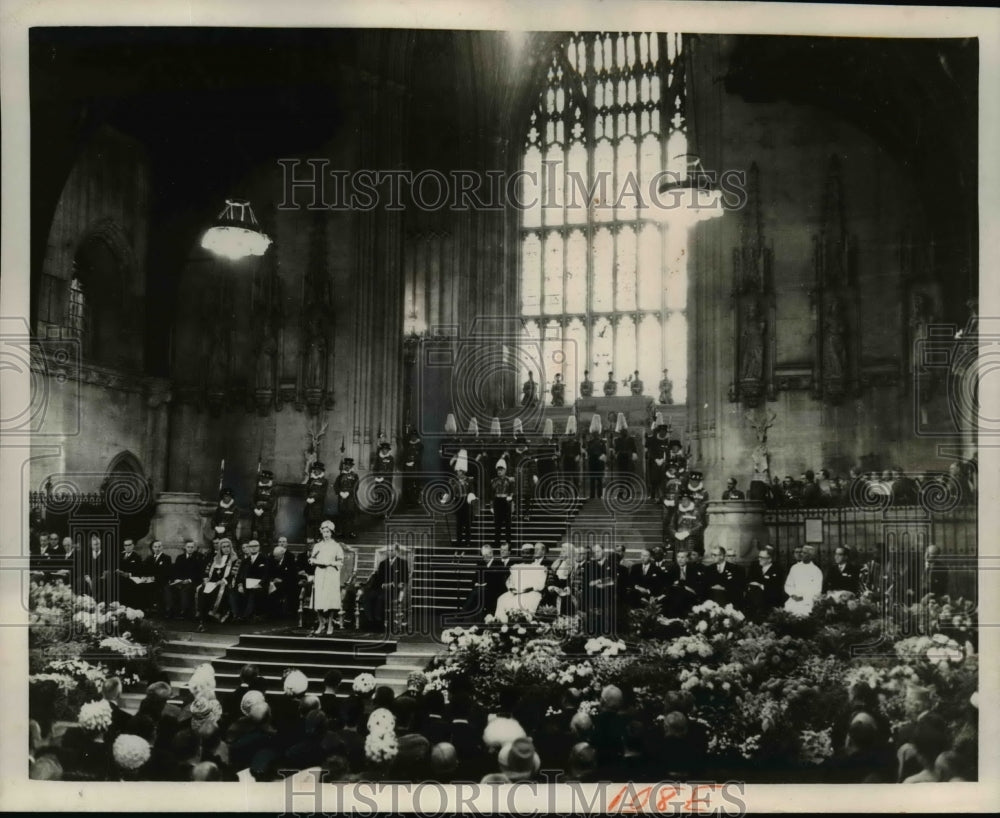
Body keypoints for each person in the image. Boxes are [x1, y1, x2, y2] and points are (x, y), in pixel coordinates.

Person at [309, 521, 345, 635]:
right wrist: (314, 561)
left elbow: (340, 561)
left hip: (331, 574)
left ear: (331, 532)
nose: (326, 534)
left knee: (330, 599)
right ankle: (321, 623)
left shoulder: (336, 546)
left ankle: (330, 623)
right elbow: (311, 559)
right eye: (324, 532)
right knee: (319, 598)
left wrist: (330, 563)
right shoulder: (318, 546)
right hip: (320, 572)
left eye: (328, 532)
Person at [365, 541, 409, 632]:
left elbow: (405, 578)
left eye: (392, 550)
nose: (390, 552)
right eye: (388, 550)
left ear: (396, 552)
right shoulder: (382, 563)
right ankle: (370, 622)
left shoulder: (403, 563)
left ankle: (379, 624)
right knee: (369, 596)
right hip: (381, 587)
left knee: (381, 598)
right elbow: (378, 578)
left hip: (394, 590)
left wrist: (397, 584)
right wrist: (382, 585)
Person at [197, 538, 238, 630]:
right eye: (223, 547)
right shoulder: (214, 559)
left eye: (228, 546)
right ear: (220, 548)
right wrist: (206, 579)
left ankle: (214, 614)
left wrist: (223, 581)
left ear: (231, 547)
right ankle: (203, 616)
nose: (226, 549)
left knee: (218, 590)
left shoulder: (235, 559)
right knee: (201, 589)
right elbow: (206, 571)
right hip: (212, 582)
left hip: (226, 583)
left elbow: (234, 574)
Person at [744, 545, 786, 617]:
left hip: (770, 601)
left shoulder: (778, 569)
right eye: (759, 557)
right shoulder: (754, 565)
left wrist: (761, 586)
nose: (759, 559)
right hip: (753, 599)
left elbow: (777, 588)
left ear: (770, 559)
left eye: (762, 558)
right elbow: (748, 580)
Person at [235, 540, 270, 623]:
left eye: (255, 546)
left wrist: (260, 584)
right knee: (236, 592)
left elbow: (267, 575)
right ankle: (237, 615)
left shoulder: (265, 559)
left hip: (260, 585)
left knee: (253, 592)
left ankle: (246, 616)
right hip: (246, 584)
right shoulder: (245, 561)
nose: (253, 548)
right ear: (249, 548)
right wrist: (240, 585)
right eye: (251, 546)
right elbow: (239, 575)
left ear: (259, 547)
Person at [169, 540, 204, 620]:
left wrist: (189, 580)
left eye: (192, 547)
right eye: (188, 547)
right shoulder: (180, 557)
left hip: (193, 581)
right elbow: (176, 570)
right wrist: (177, 579)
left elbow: (199, 573)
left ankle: (184, 611)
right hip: (180, 581)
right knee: (171, 588)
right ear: (185, 548)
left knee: (186, 589)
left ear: (194, 548)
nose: (190, 549)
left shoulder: (199, 558)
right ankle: (172, 611)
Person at [784, 544, 823, 616]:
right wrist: (793, 595)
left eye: (804, 553)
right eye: (802, 552)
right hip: (793, 600)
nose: (801, 554)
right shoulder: (794, 568)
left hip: (808, 602)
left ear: (811, 556)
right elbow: (788, 585)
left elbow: (817, 590)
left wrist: (803, 597)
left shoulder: (816, 571)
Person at [268, 539, 300, 619]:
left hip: (287, 581)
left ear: (282, 554)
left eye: (277, 556)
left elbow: (292, 574)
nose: (275, 558)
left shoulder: (290, 558)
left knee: (289, 588)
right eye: (274, 556)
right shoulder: (273, 558)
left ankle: (287, 612)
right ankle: (272, 612)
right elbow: (269, 570)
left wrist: (282, 580)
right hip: (274, 581)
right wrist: (272, 579)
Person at [144, 540, 174, 617]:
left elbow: (166, 572)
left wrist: (155, 577)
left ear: (162, 547)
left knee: (162, 588)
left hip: (162, 581)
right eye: (155, 547)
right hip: (150, 581)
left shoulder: (167, 558)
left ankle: (164, 610)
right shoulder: (149, 558)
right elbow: (145, 570)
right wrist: (146, 577)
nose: (157, 548)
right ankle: (147, 609)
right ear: (152, 548)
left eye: (159, 546)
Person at [303, 462, 329, 544]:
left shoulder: (324, 481)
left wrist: (314, 499)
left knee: (317, 521)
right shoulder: (310, 480)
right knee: (309, 520)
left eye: (318, 470)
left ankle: (317, 537)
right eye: (315, 470)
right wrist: (307, 498)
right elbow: (305, 490)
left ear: (321, 471)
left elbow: (322, 493)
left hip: (318, 504)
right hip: (309, 504)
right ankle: (309, 537)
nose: (316, 471)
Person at [334, 458, 360, 539]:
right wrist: (340, 492)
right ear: (344, 466)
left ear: (351, 466)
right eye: (346, 465)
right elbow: (336, 486)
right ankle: (342, 532)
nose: (347, 467)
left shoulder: (355, 476)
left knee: (351, 515)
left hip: (351, 499)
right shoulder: (340, 476)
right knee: (342, 515)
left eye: (349, 465)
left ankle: (352, 532)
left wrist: (348, 493)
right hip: (342, 499)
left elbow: (356, 486)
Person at [491, 460, 514, 549]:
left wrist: (510, 498)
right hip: (497, 501)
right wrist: (491, 506)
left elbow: (512, 491)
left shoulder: (509, 480)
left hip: (506, 501)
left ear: (505, 470)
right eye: (498, 470)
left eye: (501, 469)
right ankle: (497, 542)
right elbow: (491, 495)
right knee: (497, 524)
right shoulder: (493, 481)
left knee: (508, 524)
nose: (499, 471)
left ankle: (508, 542)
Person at [251, 469, 277, 546]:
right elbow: (252, 500)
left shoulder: (272, 490)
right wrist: (255, 509)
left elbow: (272, 502)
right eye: (263, 478)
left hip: (267, 515)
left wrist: (262, 507)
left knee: (269, 536)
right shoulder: (257, 488)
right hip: (257, 514)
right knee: (259, 535)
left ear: (269, 479)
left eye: (266, 479)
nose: (264, 480)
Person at [117, 538, 145, 609]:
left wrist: (129, 574)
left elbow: (140, 571)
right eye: (125, 545)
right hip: (120, 577)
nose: (127, 547)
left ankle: (128, 607)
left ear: (133, 546)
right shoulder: (120, 555)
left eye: (129, 545)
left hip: (132, 578)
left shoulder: (137, 556)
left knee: (126, 584)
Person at [401, 427, 424, 508]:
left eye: (414, 436)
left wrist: (413, 461)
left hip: (416, 467)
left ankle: (416, 499)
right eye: (412, 436)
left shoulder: (420, 446)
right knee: (409, 483)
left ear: (417, 437)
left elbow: (420, 456)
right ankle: (410, 500)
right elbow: (404, 455)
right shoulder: (407, 445)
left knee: (417, 484)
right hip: (408, 468)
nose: (413, 438)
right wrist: (407, 462)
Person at [585, 415, 607, 500]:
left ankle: (599, 495)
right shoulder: (590, 442)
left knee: (599, 480)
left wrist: (601, 456)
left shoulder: (602, 442)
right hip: (592, 462)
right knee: (592, 480)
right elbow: (589, 451)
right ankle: (592, 495)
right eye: (594, 434)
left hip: (599, 462)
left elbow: (604, 452)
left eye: (597, 434)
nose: (596, 435)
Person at [372, 441, 396, 514]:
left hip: (387, 481)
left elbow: (390, 470)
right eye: (383, 450)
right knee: (379, 496)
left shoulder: (391, 458)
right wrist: (377, 477)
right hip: (379, 481)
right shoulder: (377, 458)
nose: (385, 451)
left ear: (388, 450)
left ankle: (387, 512)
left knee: (387, 496)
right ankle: (379, 512)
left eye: (386, 450)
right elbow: (374, 469)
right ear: (381, 450)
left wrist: (383, 477)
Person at [559, 416, 582, 493]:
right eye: (569, 435)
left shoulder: (577, 443)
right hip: (567, 462)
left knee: (576, 480)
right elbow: (562, 453)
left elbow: (579, 453)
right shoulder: (564, 443)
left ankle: (576, 494)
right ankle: (567, 494)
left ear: (574, 435)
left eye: (572, 435)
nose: (570, 436)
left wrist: (578, 458)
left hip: (574, 462)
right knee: (566, 480)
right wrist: (560, 462)